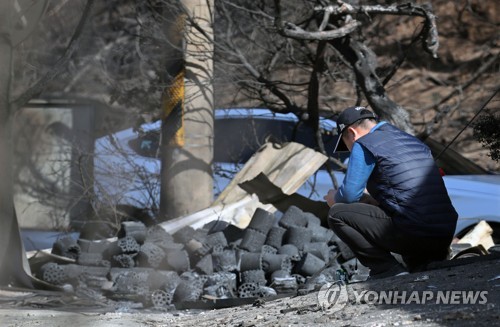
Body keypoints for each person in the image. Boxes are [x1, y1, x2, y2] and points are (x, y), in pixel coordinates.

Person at [324, 106, 458, 279]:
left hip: (415, 233)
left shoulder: (363, 144)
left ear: (351, 132)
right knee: (405, 219)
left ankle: (386, 270)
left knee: (337, 213)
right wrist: (370, 201)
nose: (349, 148)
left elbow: (349, 195)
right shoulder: (411, 140)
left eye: (345, 142)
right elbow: (403, 193)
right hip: (444, 232)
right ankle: (421, 265)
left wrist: (333, 198)